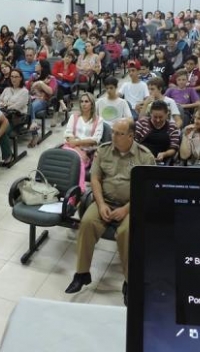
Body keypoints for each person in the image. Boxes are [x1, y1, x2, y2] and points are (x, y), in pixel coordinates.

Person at [65, 118, 155, 304]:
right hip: (104, 201)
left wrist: (126, 209)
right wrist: (101, 204)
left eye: (118, 133)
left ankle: (130, 281)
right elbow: (96, 179)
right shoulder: (104, 150)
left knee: (126, 233)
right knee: (87, 223)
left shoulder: (145, 156)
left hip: (132, 206)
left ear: (131, 136)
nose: (112, 135)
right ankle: (82, 273)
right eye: (112, 131)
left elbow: (147, 190)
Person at [62, 92, 104, 191]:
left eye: (86, 101)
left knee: (77, 161)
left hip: (87, 151)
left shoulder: (99, 120)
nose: (83, 104)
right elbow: (68, 135)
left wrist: (76, 142)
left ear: (92, 104)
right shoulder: (74, 117)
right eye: (81, 101)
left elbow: (95, 140)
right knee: (70, 159)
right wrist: (77, 147)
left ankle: (79, 189)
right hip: (71, 148)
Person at [26, 60, 57, 147]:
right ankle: (30, 127)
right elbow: (27, 88)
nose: (35, 65)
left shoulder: (51, 78)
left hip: (43, 101)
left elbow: (51, 92)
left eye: (38, 64)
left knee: (31, 106)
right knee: (28, 105)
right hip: (30, 99)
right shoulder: (33, 76)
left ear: (42, 67)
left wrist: (40, 83)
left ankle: (34, 133)